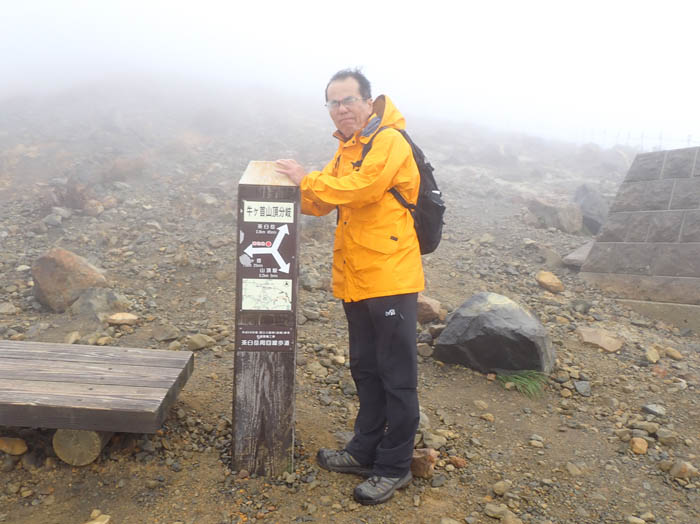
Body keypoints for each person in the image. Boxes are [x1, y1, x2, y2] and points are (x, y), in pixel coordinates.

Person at [275, 69, 424, 506]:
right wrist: (288, 187)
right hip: (356, 280)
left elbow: (364, 188)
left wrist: (308, 178)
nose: (341, 110)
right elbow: (325, 201)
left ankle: (394, 467)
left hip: (391, 278)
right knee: (365, 368)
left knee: (398, 378)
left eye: (349, 101)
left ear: (368, 101)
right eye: (333, 103)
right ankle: (363, 451)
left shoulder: (391, 141)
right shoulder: (346, 150)